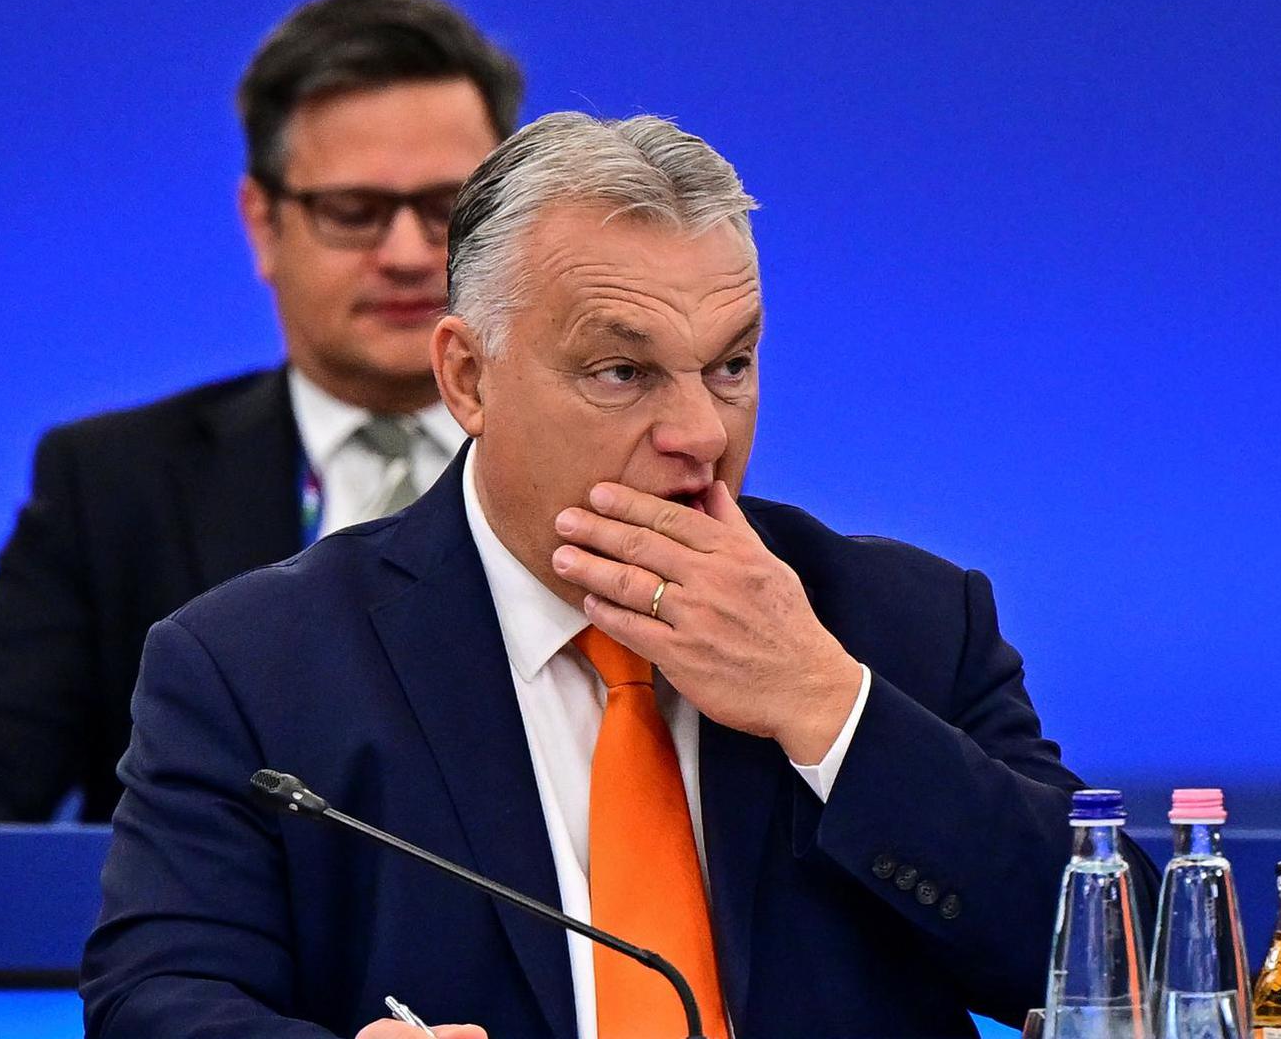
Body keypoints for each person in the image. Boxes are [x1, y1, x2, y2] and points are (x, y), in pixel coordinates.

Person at [80, 112, 1159, 1039]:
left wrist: (827, 707)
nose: (701, 434)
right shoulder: (254, 668)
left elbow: (1137, 970)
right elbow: (155, 996)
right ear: (468, 377)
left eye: (730, 364)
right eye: (622, 371)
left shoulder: (901, 623)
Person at [0, 0, 524, 823]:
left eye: (447, 210)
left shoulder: (604, 467)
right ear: (263, 224)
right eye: (353, 213)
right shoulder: (114, 485)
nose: (407, 254)